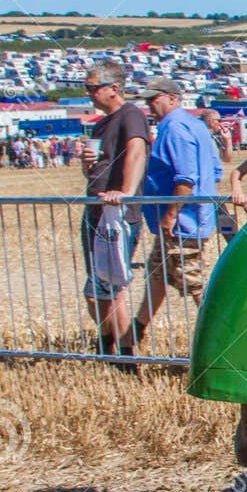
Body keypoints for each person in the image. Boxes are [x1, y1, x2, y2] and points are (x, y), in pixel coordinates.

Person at [129, 78, 222, 348]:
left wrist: (171, 214)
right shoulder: (196, 125)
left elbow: (185, 178)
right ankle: (133, 335)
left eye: (153, 99)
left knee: (195, 281)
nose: (150, 106)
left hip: (182, 222)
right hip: (191, 217)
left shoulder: (175, 127)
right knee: (156, 274)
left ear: (172, 97)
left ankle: (222, 339)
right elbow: (215, 170)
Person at [79, 62, 149, 358]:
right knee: (99, 289)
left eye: (94, 88)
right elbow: (97, 169)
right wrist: (87, 164)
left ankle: (123, 351)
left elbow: (136, 150)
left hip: (117, 214)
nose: (90, 94)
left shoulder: (131, 115)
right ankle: (109, 344)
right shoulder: (101, 123)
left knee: (109, 286)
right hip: (97, 209)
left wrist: (127, 192)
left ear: (114, 89)